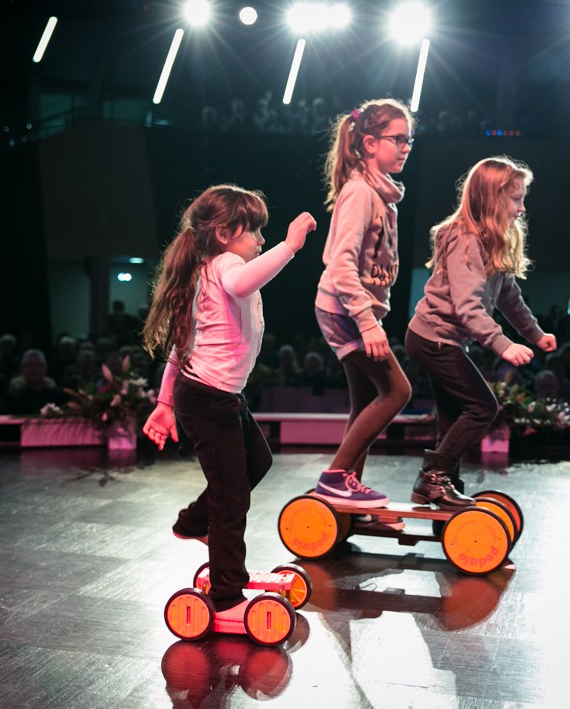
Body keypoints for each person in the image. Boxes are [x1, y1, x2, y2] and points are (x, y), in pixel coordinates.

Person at [141, 184, 316, 623]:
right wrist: (290, 245)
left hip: (214, 395)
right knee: (231, 495)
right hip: (207, 398)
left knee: (257, 462)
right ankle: (225, 594)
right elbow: (244, 281)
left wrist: (163, 403)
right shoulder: (225, 266)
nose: (259, 240)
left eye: (263, 234)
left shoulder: (209, 269)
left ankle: (193, 523)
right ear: (223, 233)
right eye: (253, 231)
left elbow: (183, 348)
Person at [406, 156, 556, 507]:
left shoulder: (492, 240)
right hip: (432, 338)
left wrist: (533, 334)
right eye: (515, 199)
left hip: (446, 340)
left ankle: (443, 484)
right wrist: (503, 345)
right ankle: (433, 477)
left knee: (453, 416)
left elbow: (508, 296)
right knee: (482, 407)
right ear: (490, 199)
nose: (521, 208)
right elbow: (467, 305)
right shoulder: (465, 240)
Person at [310, 98, 415, 514]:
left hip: (354, 310)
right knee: (397, 391)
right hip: (345, 310)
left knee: (365, 401)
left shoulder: (381, 194)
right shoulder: (359, 193)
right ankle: (336, 477)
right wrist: (368, 324)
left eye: (410, 140)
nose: (406, 147)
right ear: (369, 143)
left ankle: (346, 492)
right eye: (398, 139)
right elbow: (340, 265)